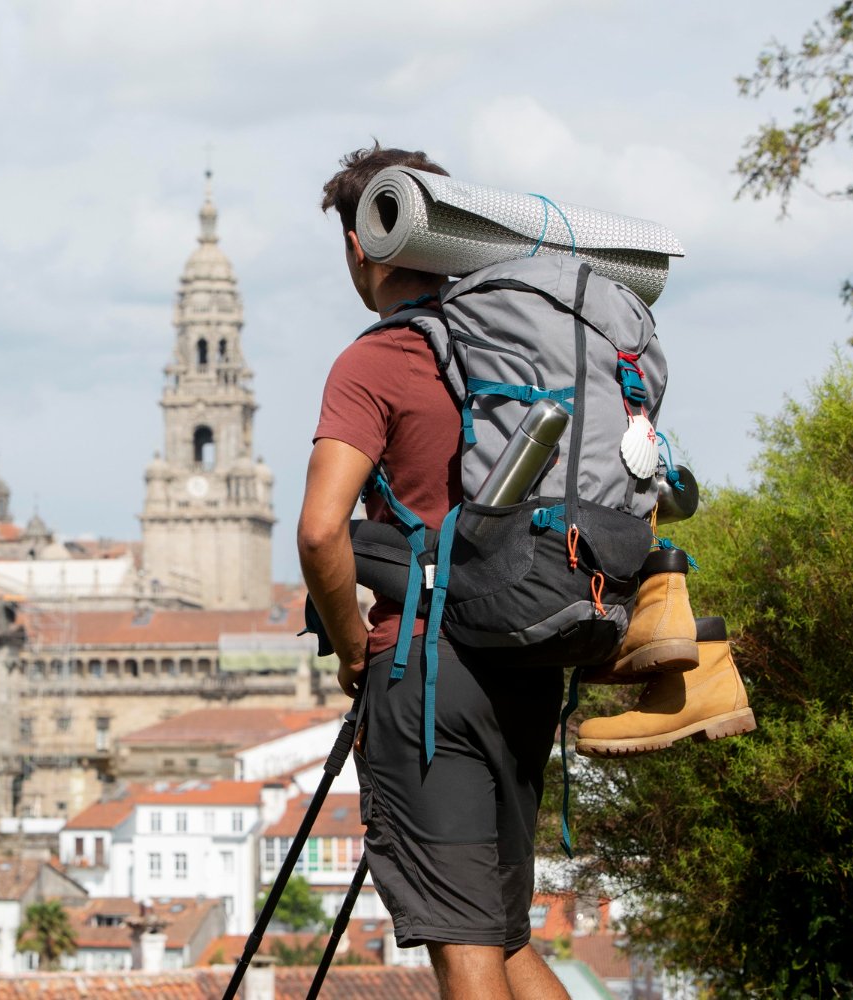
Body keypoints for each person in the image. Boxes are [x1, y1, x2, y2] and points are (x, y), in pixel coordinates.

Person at [298, 144, 568, 999]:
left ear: (358, 245)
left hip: (425, 673)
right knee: (504, 934)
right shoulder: (517, 354)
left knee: (463, 946)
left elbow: (318, 534)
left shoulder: (376, 362)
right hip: (526, 661)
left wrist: (349, 645)